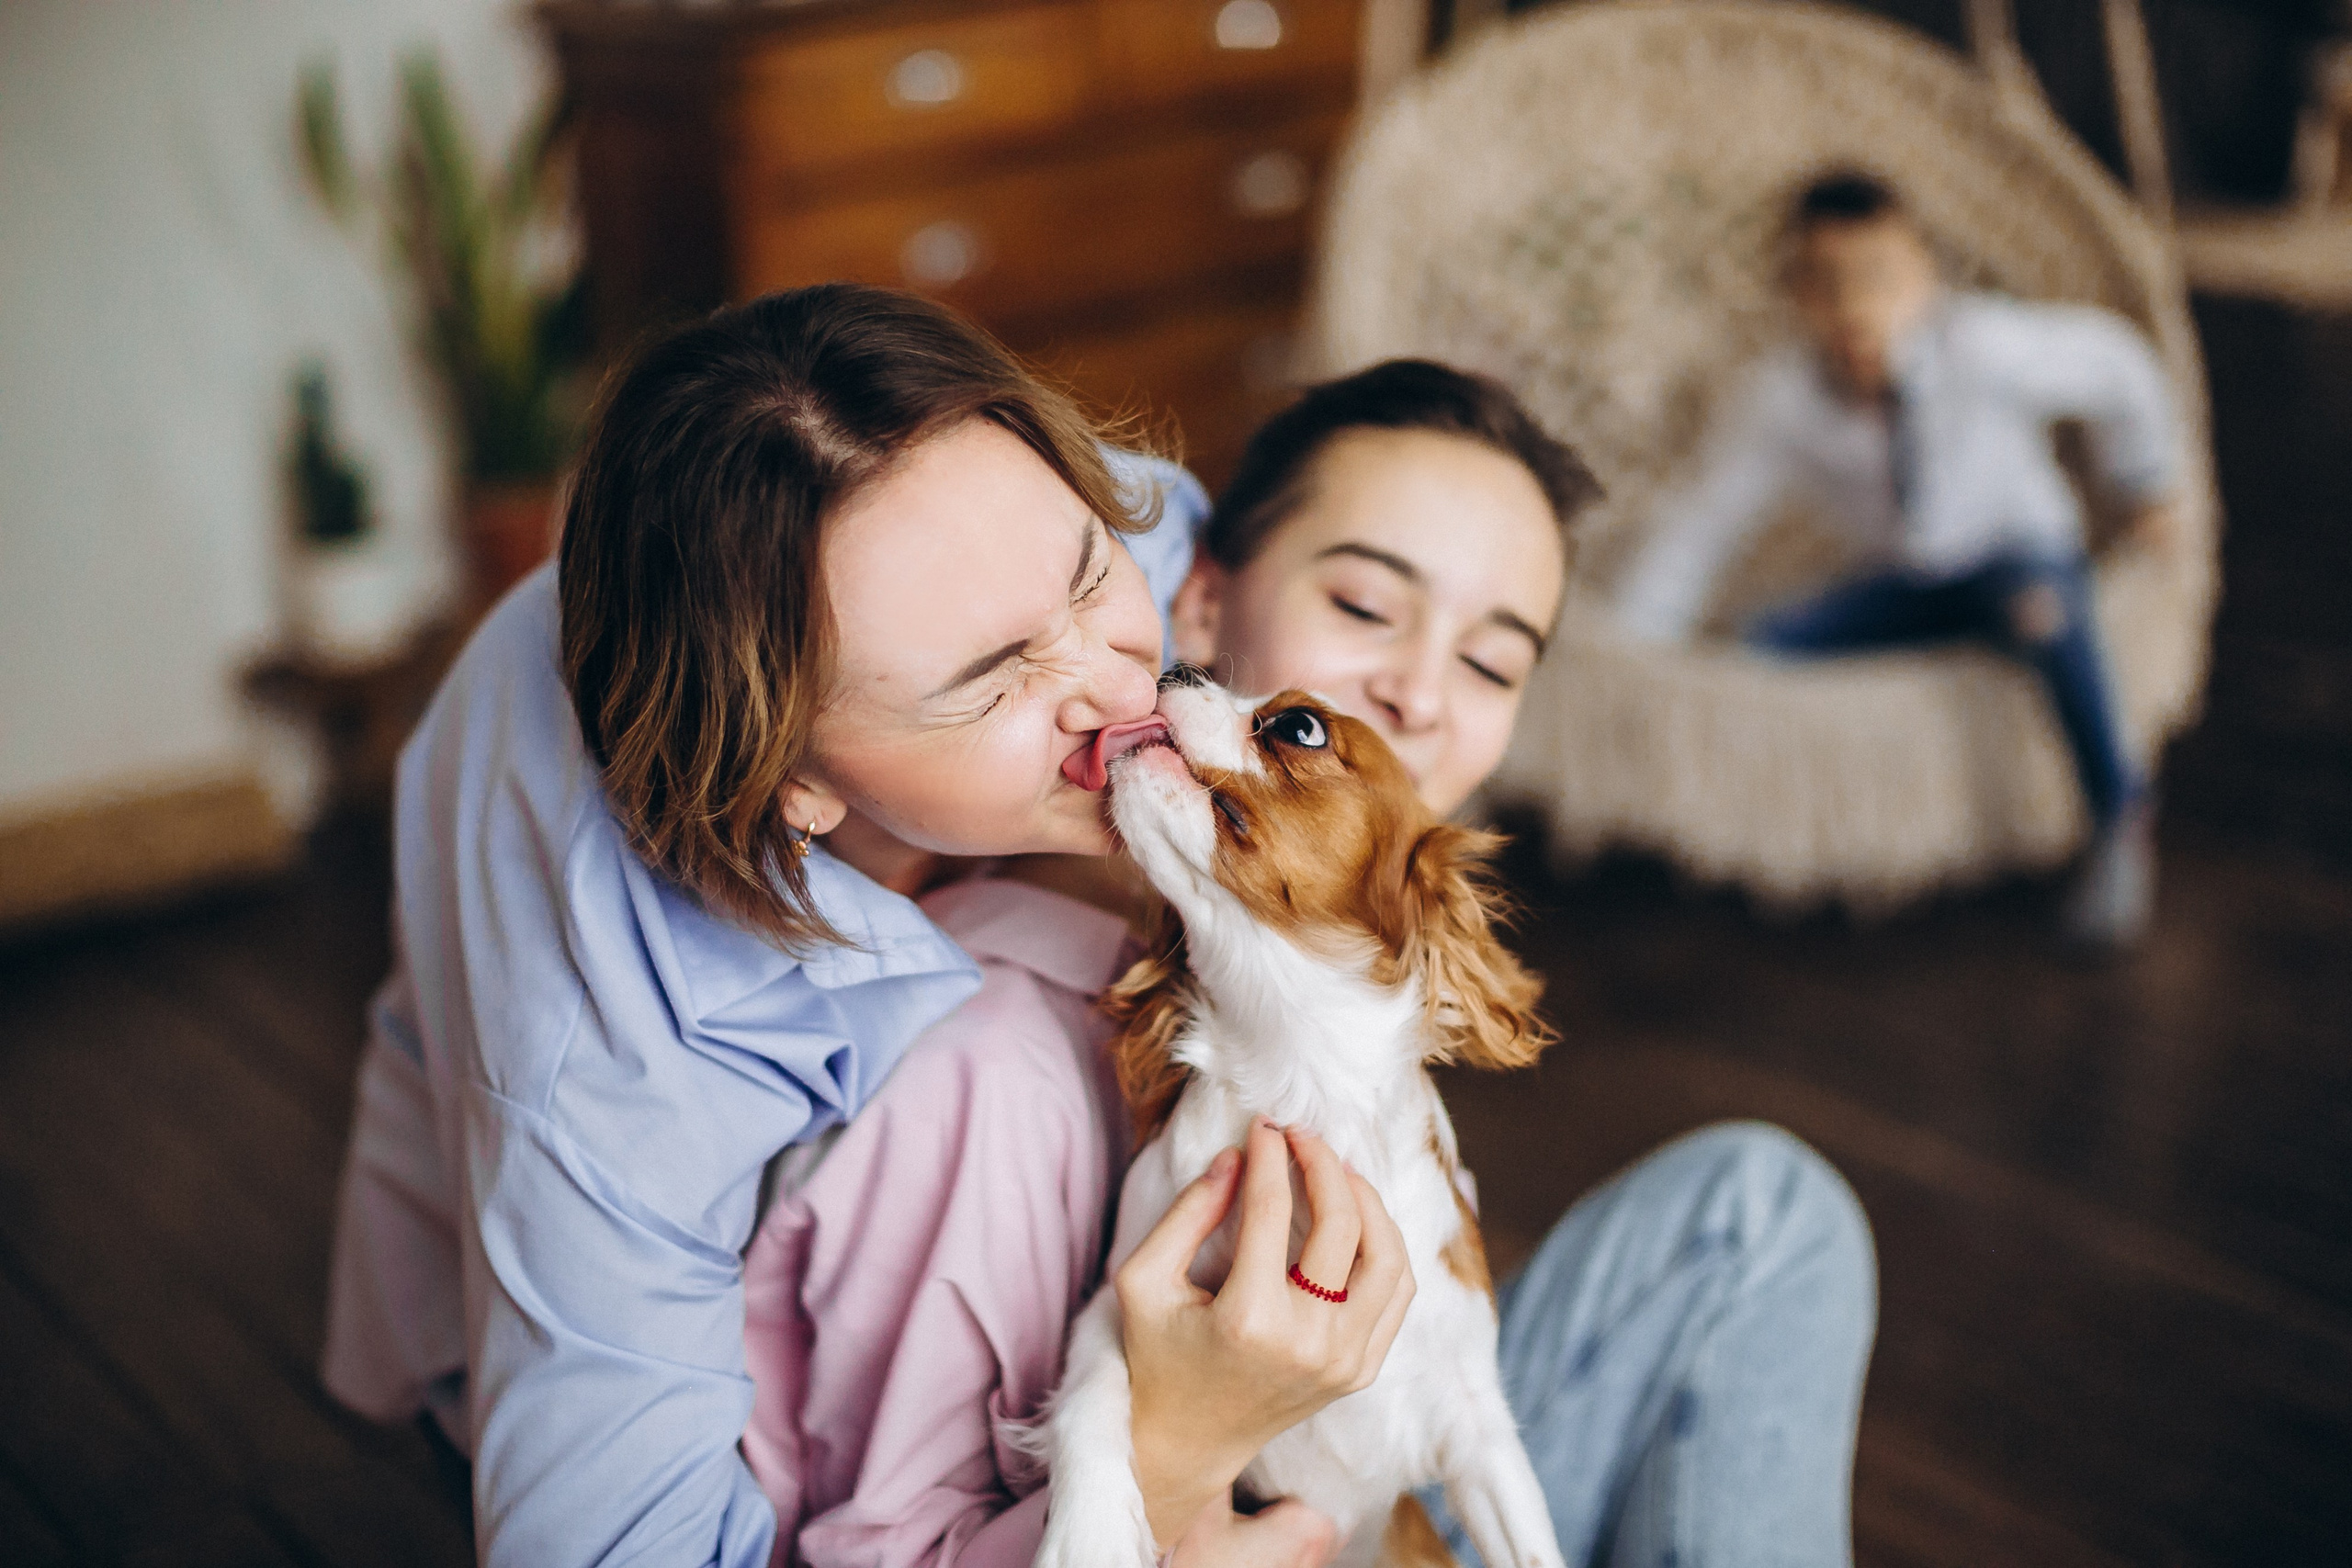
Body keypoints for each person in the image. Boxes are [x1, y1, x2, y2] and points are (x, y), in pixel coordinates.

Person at [320, 284, 1423, 1568]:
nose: (1132, 686)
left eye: (1088, 574)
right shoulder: (614, 1051)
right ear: (794, 779)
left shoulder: (1003, 522)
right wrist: (1174, 1458)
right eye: (1000, 677)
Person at [741, 359, 1881, 1568]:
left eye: (1493, 664)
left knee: (1763, 1207)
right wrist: (1180, 1458)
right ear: (1204, 609)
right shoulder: (991, 1064)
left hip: (1379, 1487)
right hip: (1201, 1528)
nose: (1419, 691)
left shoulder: (1293, 978)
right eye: (1366, 606)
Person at [1611, 170, 2187, 949]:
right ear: (1795, 294)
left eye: (1879, 278)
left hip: (2015, 559)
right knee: (1757, 648)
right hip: (1908, 584)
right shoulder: (1781, 398)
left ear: (1929, 278)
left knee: (2047, 613)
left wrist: (2147, 484)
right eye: (1824, 282)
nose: (1854, 306)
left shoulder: (1982, 344)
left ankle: (2118, 817)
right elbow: (1702, 521)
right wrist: (1637, 648)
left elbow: (2117, 365)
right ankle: (1785, 819)